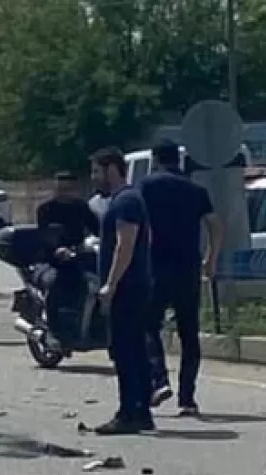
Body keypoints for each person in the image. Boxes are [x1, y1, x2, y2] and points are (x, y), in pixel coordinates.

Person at [139, 141, 223, 416]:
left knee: (148, 325)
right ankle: (188, 399)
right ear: (178, 160)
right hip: (188, 268)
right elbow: (215, 225)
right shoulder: (196, 190)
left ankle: (159, 380)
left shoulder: (147, 186)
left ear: (155, 160)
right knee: (189, 333)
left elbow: (136, 224)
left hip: (156, 267)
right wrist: (211, 259)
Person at [90, 147, 154, 435]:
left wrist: (110, 284)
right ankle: (141, 412)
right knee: (136, 349)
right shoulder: (127, 200)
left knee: (125, 350)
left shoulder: (126, 201)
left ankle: (128, 412)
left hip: (127, 288)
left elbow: (124, 244)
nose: (94, 177)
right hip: (135, 285)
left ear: (112, 170)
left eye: (97, 171)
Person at [35, 171, 101, 343]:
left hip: (78, 256)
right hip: (52, 261)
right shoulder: (45, 209)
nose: (65, 193)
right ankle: (53, 331)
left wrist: (108, 238)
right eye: (61, 188)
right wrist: (57, 249)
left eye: (69, 189)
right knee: (54, 283)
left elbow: (97, 228)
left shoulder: (81, 207)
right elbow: (45, 235)